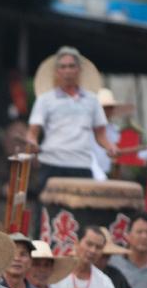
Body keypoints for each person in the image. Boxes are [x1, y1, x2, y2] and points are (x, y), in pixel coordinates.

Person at [26, 46, 118, 196]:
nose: (67, 70)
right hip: (51, 162)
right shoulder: (44, 100)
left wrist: (110, 147)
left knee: (81, 209)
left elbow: (101, 134)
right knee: (48, 208)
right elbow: (32, 133)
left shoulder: (92, 100)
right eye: (63, 67)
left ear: (78, 70)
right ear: (57, 72)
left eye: (71, 66)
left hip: (81, 164)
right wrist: (32, 143)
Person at [90, 88, 133, 180]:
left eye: (110, 108)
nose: (107, 111)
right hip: (90, 173)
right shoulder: (88, 129)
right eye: (104, 108)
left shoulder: (116, 130)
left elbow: (120, 151)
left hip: (110, 174)